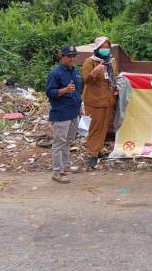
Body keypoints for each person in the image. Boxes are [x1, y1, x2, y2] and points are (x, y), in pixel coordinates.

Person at [45, 46, 83, 184]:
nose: (72, 58)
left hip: (74, 113)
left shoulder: (74, 71)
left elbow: (78, 91)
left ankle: (65, 166)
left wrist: (80, 107)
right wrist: (65, 90)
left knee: (68, 141)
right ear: (62, 57)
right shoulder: (55, 73)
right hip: (61, 114)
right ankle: (57, 172)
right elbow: (50, 92)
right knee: (59, 143)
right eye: (69, 56)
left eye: (74, 56)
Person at [82, 36, 119, 169]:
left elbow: (113, 78)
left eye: (107, 47)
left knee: (104, 127)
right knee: (95, 128)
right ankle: (92, 154)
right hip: (94, 100)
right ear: (97, 48)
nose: (105, 50)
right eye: (102, 47)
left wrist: (115, 88)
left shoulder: (111, 62)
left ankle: (98, 151)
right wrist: (94, 72)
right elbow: (86, 80)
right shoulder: (90, 62)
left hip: (108, 100)